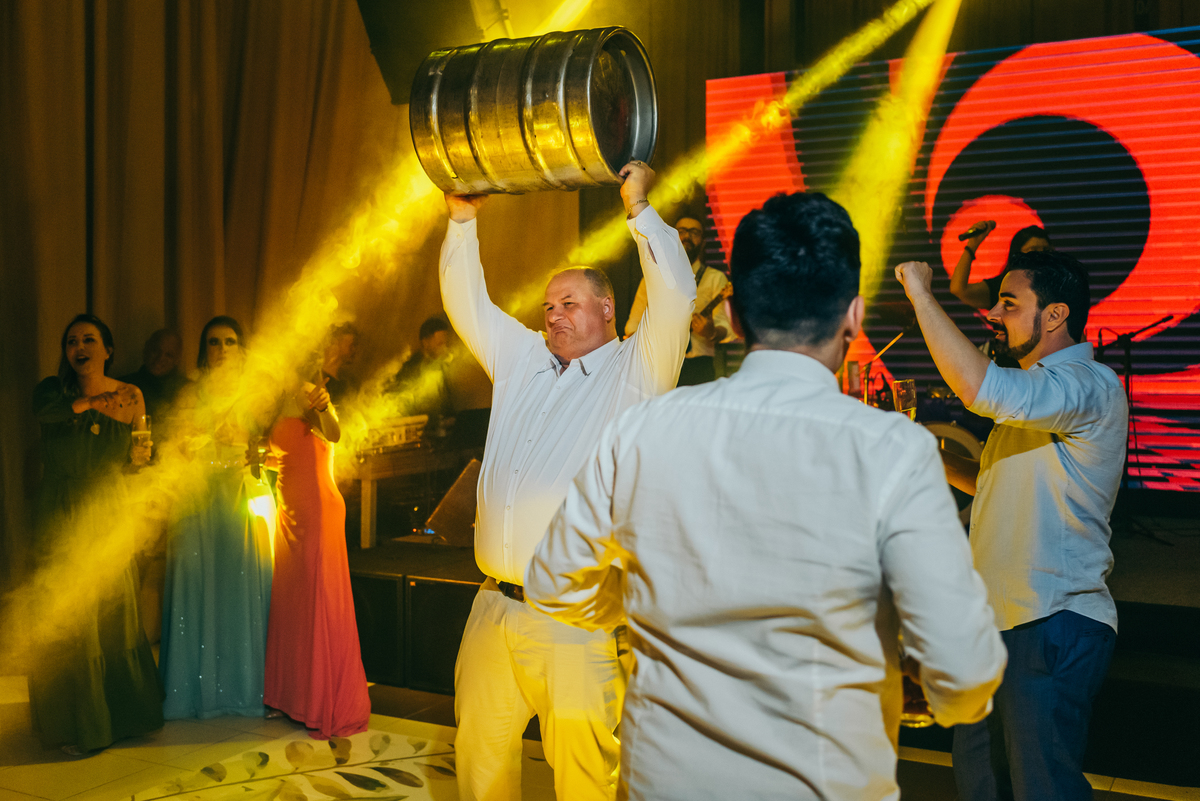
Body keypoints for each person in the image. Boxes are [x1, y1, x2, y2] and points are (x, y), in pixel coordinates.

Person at [525, 192, 1007, 800]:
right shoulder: (893, 450)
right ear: (853, 317)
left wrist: (644, 600)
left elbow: (550, 583)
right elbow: (964, 672)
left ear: (731, 312)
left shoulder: (643, 429)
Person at [441, 160, 695, 801]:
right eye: (548, 305)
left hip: (576, 619)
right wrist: (462, 220)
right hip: (493, 607)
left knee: (584, 778)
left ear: (607, 310)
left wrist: (639, 210)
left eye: (569, 304)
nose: (553, 315)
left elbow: (676, 299)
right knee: (478, 764)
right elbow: (467, 303)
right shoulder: (522, 359)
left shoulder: (637, 369)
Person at [895, 250, 1127, 801]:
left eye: (1009, 302)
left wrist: (922, 295)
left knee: (1042, 789)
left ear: (1054, 315)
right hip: (996, 626)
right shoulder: (1038, 395)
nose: (994, 315)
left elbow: (982, 389)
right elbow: (997, 482)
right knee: (982, 787)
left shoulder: (1086, 384)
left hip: (1049, 618)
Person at [30, 313, 162, 755]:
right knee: (71, 615)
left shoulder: (133, 395)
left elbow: (134, 458)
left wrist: (141, 459)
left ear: (107, 349)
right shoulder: (53, 391)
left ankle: (121, 718)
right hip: (61, 510)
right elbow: (45, 414)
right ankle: (75, 724)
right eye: (71, 341)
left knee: (110, 614)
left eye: (89, 339)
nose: (79, 347)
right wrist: (95, 402)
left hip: (107, 509)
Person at [159, 316, 274, 720]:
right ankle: (192, 691)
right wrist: (201, 439)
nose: (221, 349)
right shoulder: (191, 392)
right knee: (195, 582)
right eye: (213, 342)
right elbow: (175, 444)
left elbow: (270, 448)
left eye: (229, 342)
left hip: (241, 495)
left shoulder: (256, 394)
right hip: (199, 495)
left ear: (241, 350)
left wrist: (248, 443)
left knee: (240, 585)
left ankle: (243, 690)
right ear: (203, 350)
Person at [263, 370, 371, 739]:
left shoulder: (310, 393)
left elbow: (334, 434)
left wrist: (325, 409)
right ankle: (290, 698)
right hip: (288, 512)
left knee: (317, 600)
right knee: (291, 602)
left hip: (318, 511)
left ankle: (322, 702)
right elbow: (279, 455)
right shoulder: (267, 396)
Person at [625, 214, 731, 385]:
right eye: (681, 231)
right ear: (672, 238)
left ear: (703, 242)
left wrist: (710, 332)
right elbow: (633, 325)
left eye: (694, 232)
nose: (687, 236)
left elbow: (726, 327)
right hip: (659, 366)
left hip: (700, 368)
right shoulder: (653, 277)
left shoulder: (715, 278)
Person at [950, 223, 1051, 311]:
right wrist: (972, 245)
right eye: (1033, 251)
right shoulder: (1002, 287)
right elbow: (959, 289)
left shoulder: (1061, 284)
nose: (1040, 256)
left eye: (1045, 250)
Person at [119, 328, 188, 425]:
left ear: (177, 359)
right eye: (156, 351)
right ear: (146, 348)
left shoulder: (187, 391)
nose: (160, 358)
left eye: (168, 355)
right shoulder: (122, 386)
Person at [392, 316, 453, 418]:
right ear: (425, 343)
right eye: (440, 344)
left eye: (446, 343)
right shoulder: (410, 369)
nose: (444, 348)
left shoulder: (445, 367)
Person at [320, 323, 359, 404]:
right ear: (335, 343)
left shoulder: (347, 384)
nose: (354, 350)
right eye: (352, 345)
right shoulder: (316, 378)